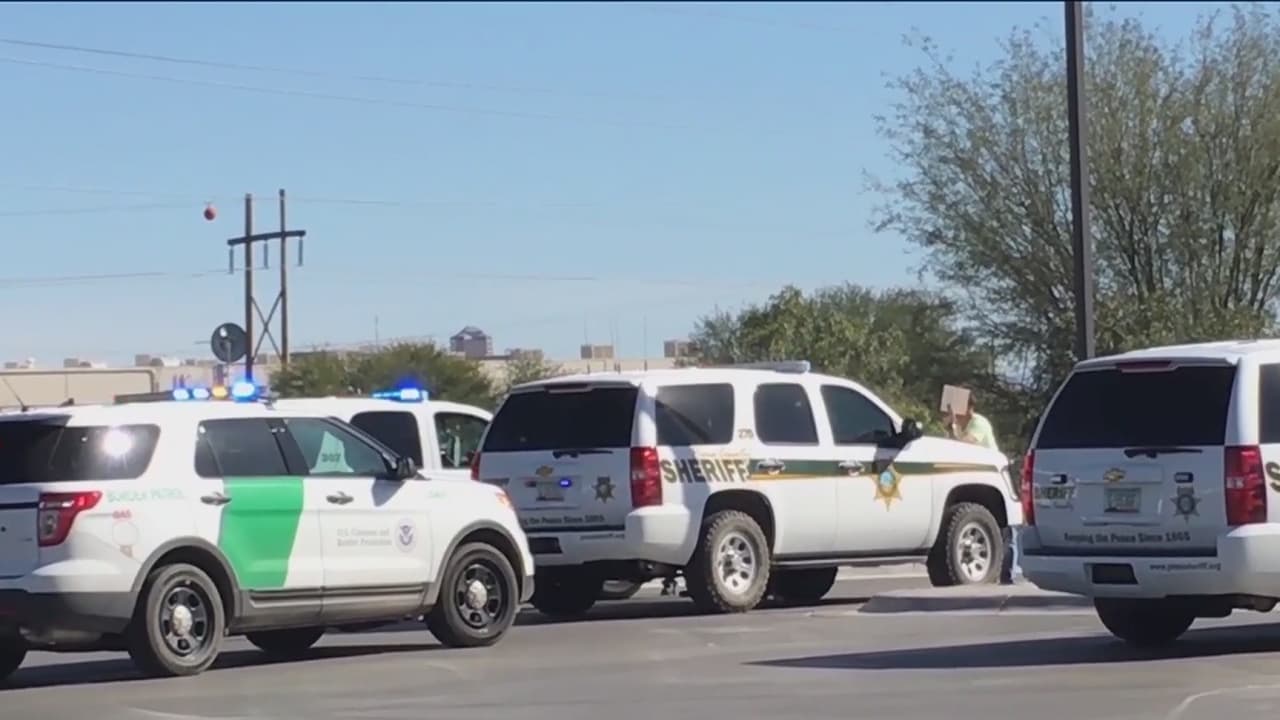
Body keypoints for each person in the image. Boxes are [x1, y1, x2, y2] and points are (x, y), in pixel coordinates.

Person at [945, 392, 1018, 583]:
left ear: (968, 407)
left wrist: (953, 426)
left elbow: (966, 446)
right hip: (978, 480)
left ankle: (1009, 574)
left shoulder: (978, 423)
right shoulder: (963, 426)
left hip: (993, 478)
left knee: (1006, 531)